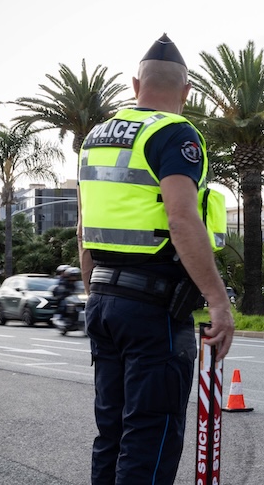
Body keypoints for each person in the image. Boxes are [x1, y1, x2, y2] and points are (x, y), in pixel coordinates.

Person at [78, 33, 235, 484]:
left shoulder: (95, 137)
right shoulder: (174, 133)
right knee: (151, 437)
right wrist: (218, 302)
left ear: (134, 84)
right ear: (187, 92)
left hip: (104, 302)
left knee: (112, 434)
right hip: (154, 311)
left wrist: (95, 294)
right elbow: (182, 218)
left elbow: (84, 229)